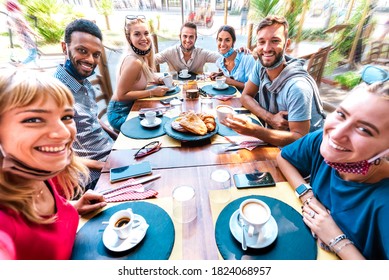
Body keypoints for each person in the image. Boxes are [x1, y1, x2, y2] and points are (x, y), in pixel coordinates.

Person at [0, 69, 107, 260]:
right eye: (34, 119)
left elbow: (45, 225)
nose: (64, 133)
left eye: (66, 117)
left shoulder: (39, 175)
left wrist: (74, 207)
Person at [276, 82, 389, 260]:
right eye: (341, 114)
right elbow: (283, 158)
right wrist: (308, 196)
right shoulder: (320, 141)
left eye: (364, 130)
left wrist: (336, 239)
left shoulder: (383, 203)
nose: (336, 134)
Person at [224, 15, 325, 147]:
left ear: (286, 44)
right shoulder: (260, 65)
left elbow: (299, 138)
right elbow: (245, 96)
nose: (266, 48)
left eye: (275, 41)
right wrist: (270, 118)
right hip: (273, 138)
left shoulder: (297, 87)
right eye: (261, 42)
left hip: (304, 155)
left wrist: (255, 131)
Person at [53, 19, 114, 191]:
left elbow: (93, 119)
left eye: (96, 54)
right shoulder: (55, 93)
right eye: (82, 51)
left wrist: (118, 138)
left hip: (110, 154)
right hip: (91, 177)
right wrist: (103, 166)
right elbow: (59, 156)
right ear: (65, 48)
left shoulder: (84, 83)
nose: (90, 60)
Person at [107, 15, 168, 132]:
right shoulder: (134, 62)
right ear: (129, 38)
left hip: (134, 106)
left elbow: (141, 78)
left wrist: (158, 79)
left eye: (146, 33)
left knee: (164, 115)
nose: (143, 38)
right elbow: (121, 95)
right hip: (120, 113)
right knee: (159, 127)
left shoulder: (142, 56)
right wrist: (152, 92)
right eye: (137, 34)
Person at [155, 22, 221, 74]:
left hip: (196, 89)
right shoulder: (170, 52)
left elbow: (222, 58)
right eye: (185, 36)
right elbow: (153, 59)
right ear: (180, 36)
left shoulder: (202, 54)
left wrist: (220, 74)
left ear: (196, 38)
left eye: (191, 37)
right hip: (175, 89)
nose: (187, 40)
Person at [209, 25, 255, 91]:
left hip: (244, 100)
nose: (222, 44)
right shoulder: (220, 62)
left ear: (233, 42)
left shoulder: (247, 59)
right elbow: (230, 74)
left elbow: (252, 88)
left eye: (227, 40)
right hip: (227, 99)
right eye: (220, 40)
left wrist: (231, 82)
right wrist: (219, 74)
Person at [5, 0, 39, 65]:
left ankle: (36, 66)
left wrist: (17, 29)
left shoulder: (10, 17)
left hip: (20, 37)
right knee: (33, 54)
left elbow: (8, 26)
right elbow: (26, 27)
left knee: (32, 52)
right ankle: (20, 65)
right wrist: (36, 35)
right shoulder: (18, 15)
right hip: (25, 36)